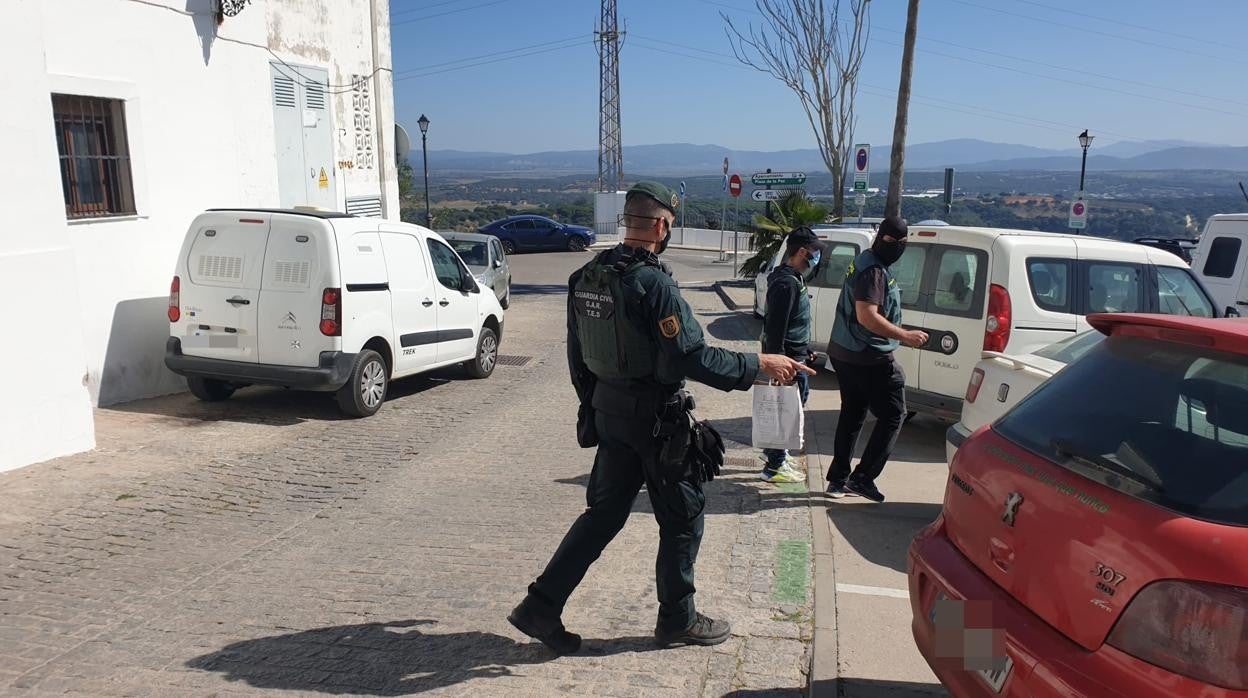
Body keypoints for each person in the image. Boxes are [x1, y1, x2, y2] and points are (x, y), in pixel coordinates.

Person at [509, 181, 815, 655]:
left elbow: (578, 358)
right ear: (660, 225)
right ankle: (678, 619)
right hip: (655, 422)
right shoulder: (653, 284)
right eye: (669, 225)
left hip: (611, 415)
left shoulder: (587, 276)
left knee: (602, 516)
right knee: (684, 516)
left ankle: (540, 606)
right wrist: (759, 367)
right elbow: (691, 356)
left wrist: (594, 408)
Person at [824, 216, 928, 503]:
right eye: (892, 241)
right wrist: (904, 336)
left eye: (903, 243)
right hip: (868, 355)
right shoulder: (874, 272)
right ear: (880, 237)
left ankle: (837, 480)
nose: (897, 247)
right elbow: (866, 316)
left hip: (845, 352)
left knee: (853, 414)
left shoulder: (865, 260)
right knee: (894, 414)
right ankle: (863, 477)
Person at [758, 226, 826, 483]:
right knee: (786, 411)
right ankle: (774, 467)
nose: (816, 257)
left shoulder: (790, 278)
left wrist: (804, 349)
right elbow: (776, 328)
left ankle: (775, 454)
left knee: (788, 407)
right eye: (814, 252)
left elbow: (790, 323)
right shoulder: (786, 283)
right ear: (801, 251)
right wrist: (780, 364)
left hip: (795, 356)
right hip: (788, 361)